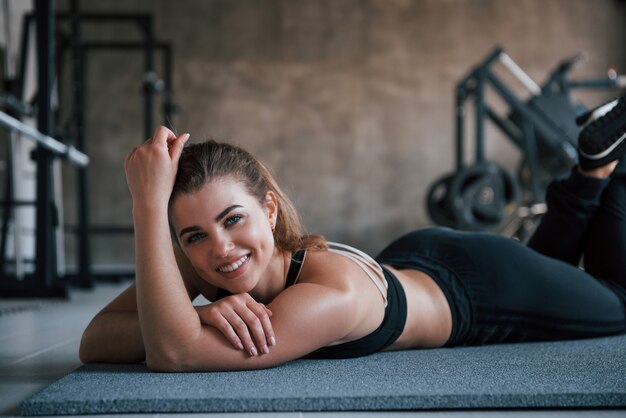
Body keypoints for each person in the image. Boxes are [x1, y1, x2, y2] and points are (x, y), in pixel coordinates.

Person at [79, 95, 626, 372]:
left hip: (483, 290)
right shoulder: (211, 256)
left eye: (234, 219)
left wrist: (147, 204)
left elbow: (173, 353)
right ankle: (593, 171)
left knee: (616, 299)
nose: (220, 249)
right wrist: (197, 312)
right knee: (560, 267)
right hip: (414, 258)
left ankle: (609, 174)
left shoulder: (328, 297)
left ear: (269, 210)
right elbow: (96, 338)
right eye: (192, 236)